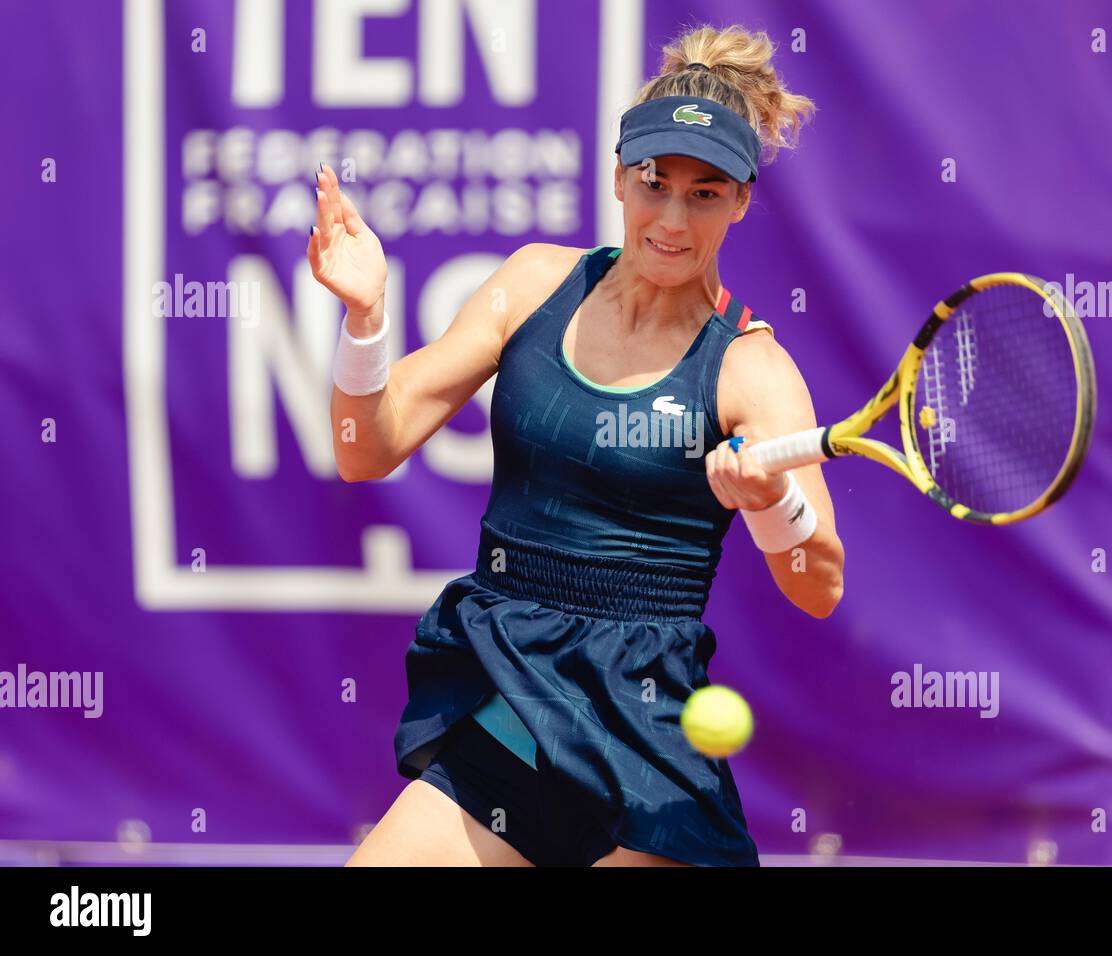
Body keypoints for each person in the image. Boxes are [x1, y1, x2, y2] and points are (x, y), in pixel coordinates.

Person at [310, 23, 840, 867]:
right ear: (620, 177)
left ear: (741, 201)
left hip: (651, 746)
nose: (671, 218)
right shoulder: (532, 285)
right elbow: (363, 451)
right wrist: (366, 322)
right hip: (511, 699)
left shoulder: (752, 370)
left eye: (704, 194)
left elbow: (820, 584)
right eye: (653, 183)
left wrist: (776, 505)